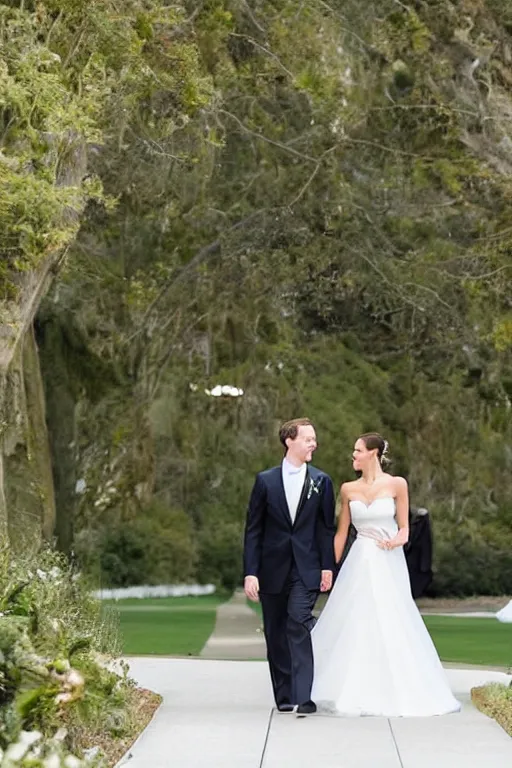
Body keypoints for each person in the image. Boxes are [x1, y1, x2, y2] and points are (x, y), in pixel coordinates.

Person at [311, 433, 461, 717]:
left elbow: (405, 527)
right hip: (360, 559)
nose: (353, 455)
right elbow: (341, 533)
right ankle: (353, 686)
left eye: (357, 451)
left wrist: (398, 539)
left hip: (387, 558)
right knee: (356, 618)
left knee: (391, 616)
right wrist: (328, 567)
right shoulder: (347, 489)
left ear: (373, 453)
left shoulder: (396, 484)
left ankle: (398, 686)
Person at [243, 418, 336, 716]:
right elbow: (253, 530)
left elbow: (325, 529)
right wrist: (250, 572)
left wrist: (327, 567)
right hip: (272, 568)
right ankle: (284, 695)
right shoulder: (265, 481)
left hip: (306, 568)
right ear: (289, 441)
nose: (314, 443)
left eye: (314, 438)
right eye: (308, 438)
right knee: (275, 631)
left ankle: (304, 695)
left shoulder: (322, 481)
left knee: (298, 621)